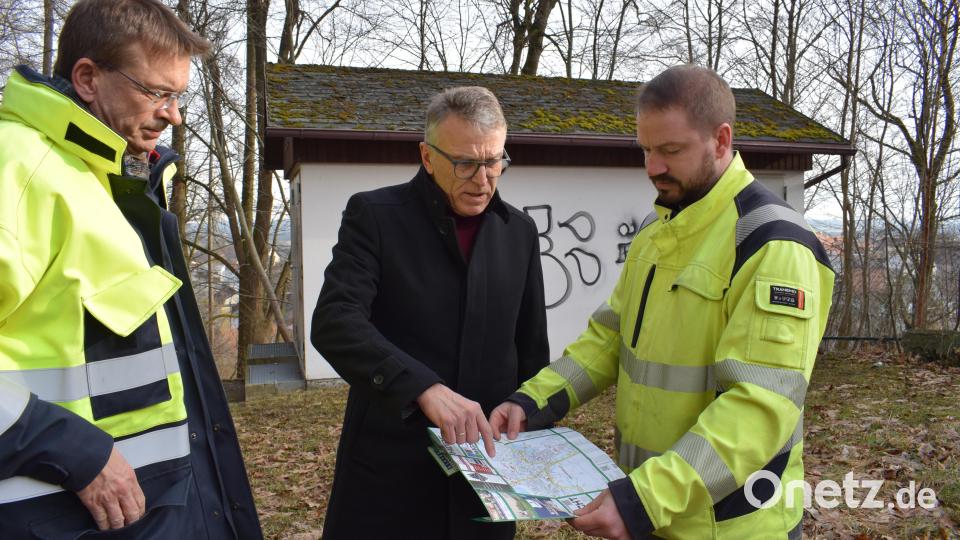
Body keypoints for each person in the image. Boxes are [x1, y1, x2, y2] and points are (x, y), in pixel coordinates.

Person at [490, 65, 835, 539]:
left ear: (721, 140)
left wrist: (643, 500)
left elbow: (757, 410)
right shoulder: (656, 233)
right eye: (647, 149)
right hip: (656, 514)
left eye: (670, 150)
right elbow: (608, 339)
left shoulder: (773, 245)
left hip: (731, 526)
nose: (653, 167)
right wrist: (534, 401)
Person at [0, 0, 262, 537]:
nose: (175, 115)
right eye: (158, 93)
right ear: (89, 78)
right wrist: (72, 452)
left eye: (178, 96)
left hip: (153, 509)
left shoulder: (116, 179)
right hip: (56, 513)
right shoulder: (20, 169)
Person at [311, 86, 549, 539]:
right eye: (466, 164)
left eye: (495, 161)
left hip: (486, 479)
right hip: (389, 479)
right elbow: (335, 321)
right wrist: (422, 387)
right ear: (427, 156)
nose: (482, 180)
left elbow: (531, 349)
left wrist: (531, 423)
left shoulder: (519, 232)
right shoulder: (375, 216)